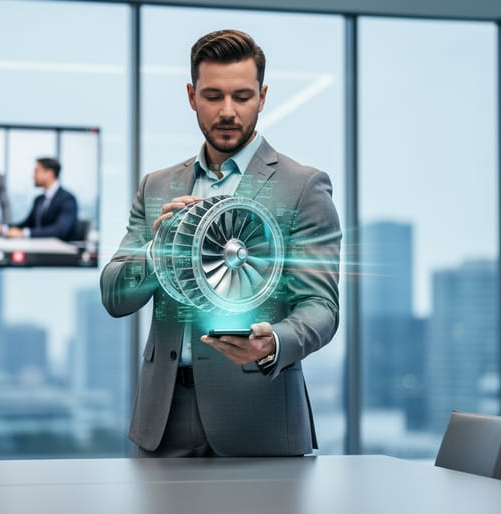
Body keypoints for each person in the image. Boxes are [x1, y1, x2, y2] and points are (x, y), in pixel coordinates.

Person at [100, 29, 341, 457]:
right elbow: (114, 295)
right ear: (192, 96)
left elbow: (321, 306)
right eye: (213, 96)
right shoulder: (157, 186)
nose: (228, 111)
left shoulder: (303, 187)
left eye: (242, 97)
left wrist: (275, 342)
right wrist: (159, 253)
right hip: (163, 420)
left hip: (259, 418)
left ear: (263, 97)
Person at [0, 158, 78, 241]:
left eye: (36, 171)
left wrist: (25, 233)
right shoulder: (39, 200)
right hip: (41, 248)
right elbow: (27, 224)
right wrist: (3, 228)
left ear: (49, 173)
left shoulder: (67, 199)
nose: (33, 176)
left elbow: (60, 230)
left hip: (61, 253)